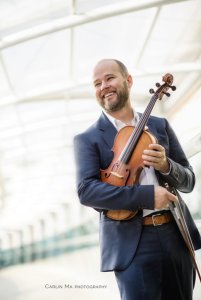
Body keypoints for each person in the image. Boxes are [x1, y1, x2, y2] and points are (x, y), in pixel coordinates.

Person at [73, 58, 201, 300]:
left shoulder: (159, 125)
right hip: (132, 247)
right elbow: (87, 191)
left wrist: (166, 165)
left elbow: (189, 181)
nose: (104, 86)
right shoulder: (87, 139)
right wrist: (147, 197)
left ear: (128, 80)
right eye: (97, 83)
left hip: (175, 236)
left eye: (110, 78)